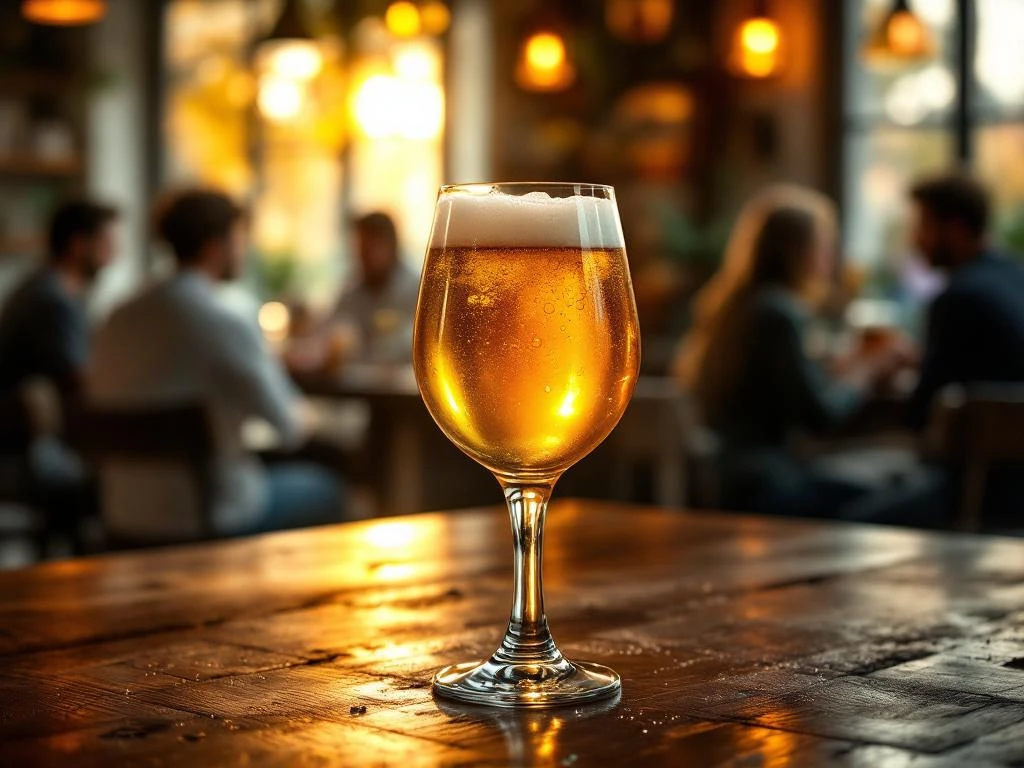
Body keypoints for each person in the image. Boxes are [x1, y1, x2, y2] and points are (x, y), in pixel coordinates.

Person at [89, 189, 345, 541]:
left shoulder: (117, 316)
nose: (244, 250)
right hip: (210, 515)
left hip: (121, 514)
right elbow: (287, 429)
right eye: (239, 239)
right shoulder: (222, 320)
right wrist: (308, 413)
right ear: (215, 246)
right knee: (326, 489)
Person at [674, 185, 906, 517]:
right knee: (891, 490)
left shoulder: (735, 306)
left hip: (730, 476)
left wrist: (844, 367)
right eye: (823, 245)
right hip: (767, 486)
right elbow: (820, 417)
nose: (830, 257)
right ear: (798, 251)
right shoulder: (778, 314)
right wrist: (868, 370)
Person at [905, 174, 1024, 526]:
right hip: (1017, 494)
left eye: (922, 226)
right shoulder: (1016, 277)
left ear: (955, 228)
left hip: (977, 492)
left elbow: (919, 413)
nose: (915, 241)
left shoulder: (958, 298)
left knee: (845, 516)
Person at [0, 200, 118, 398]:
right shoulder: (52, 302)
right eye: (107, 242)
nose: (115, 252)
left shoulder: (46, 286)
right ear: (78, 244)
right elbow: (78, 383)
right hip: (24, 424)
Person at [333, 212, 419, 364]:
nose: (362, 257)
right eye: (359, 249)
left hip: (401, 386)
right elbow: (335, 325)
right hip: (358, 385)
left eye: (368, 249)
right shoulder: (353, 287)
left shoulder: (415, 289)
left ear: (391, 245)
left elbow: (416, 343)